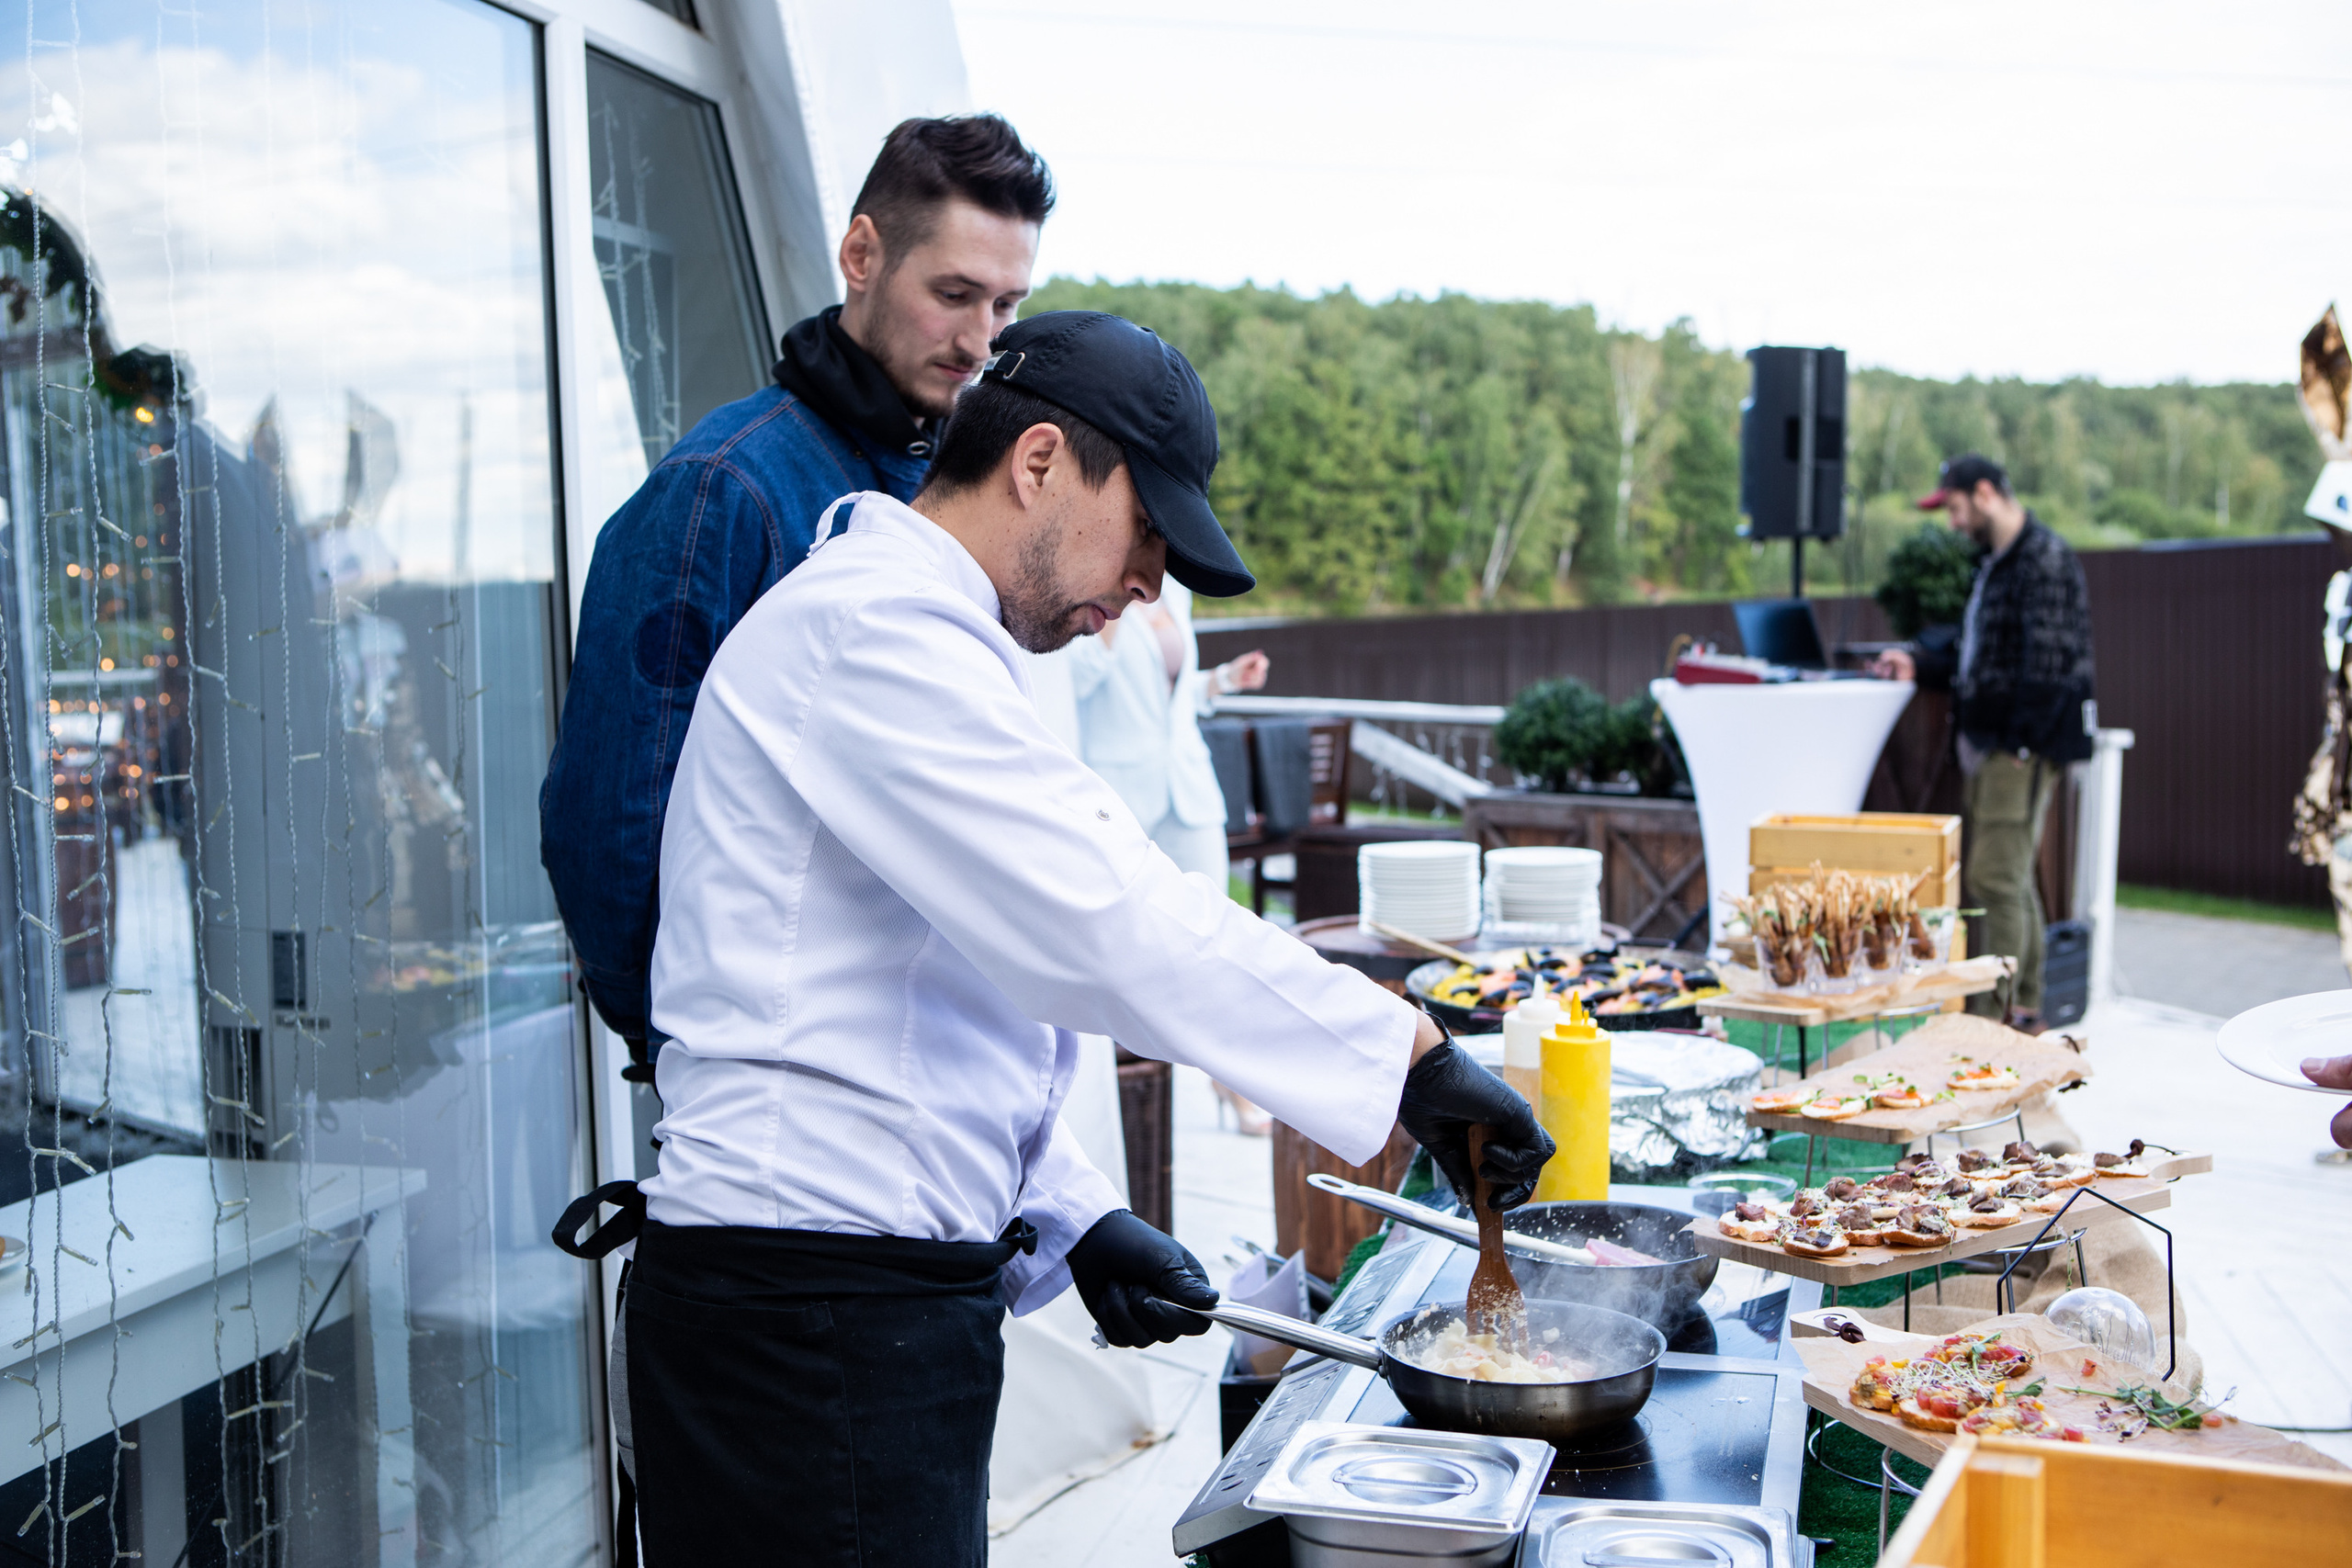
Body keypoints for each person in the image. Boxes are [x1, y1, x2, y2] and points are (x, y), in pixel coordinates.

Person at [622, 310, 1554, 1566]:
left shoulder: (919, 631)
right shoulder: (874, 633)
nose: (1151, 585)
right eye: (1149, 531)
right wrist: (1411, 1060)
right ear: (1043, 460)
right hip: (806, 1319)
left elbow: (939, 1002)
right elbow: (1104, 919)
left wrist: (1071, 1212)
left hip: (858, 1301)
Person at [541, 114, 1052, 1064]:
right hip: (772, 1097)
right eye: (955, 294)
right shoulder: (719, 493)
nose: (981, 340)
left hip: (921, 1067)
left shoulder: (953, 495)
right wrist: (694, 1056)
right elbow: (607, 829)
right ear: (862, 254)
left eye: (1008, 307)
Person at [1873, 454, 2094, 1031]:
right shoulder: (1996, 562)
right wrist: (1918, 663)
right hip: (1996, 745)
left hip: (2016, 748)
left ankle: (1993, 1017)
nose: (1951, 521)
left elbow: (2049, 667)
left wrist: (2017, 746)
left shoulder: (2043, 559)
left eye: (1953, 506)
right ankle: (2024, 1005)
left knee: (1994, 877)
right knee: (2009, 874)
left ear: (1986, 493)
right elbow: (1978, 653)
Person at [1066, 579, 1273, 1130]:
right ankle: (1112, 1093)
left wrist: (1224, 680)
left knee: (1218, 936)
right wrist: (1110, 626)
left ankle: (1231, 1078)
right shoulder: (1095, 587)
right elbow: (1075, 686)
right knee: (1121, 945)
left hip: (1189, 787)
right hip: (1122, 793)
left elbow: (1171, 694)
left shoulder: (1174, 595)